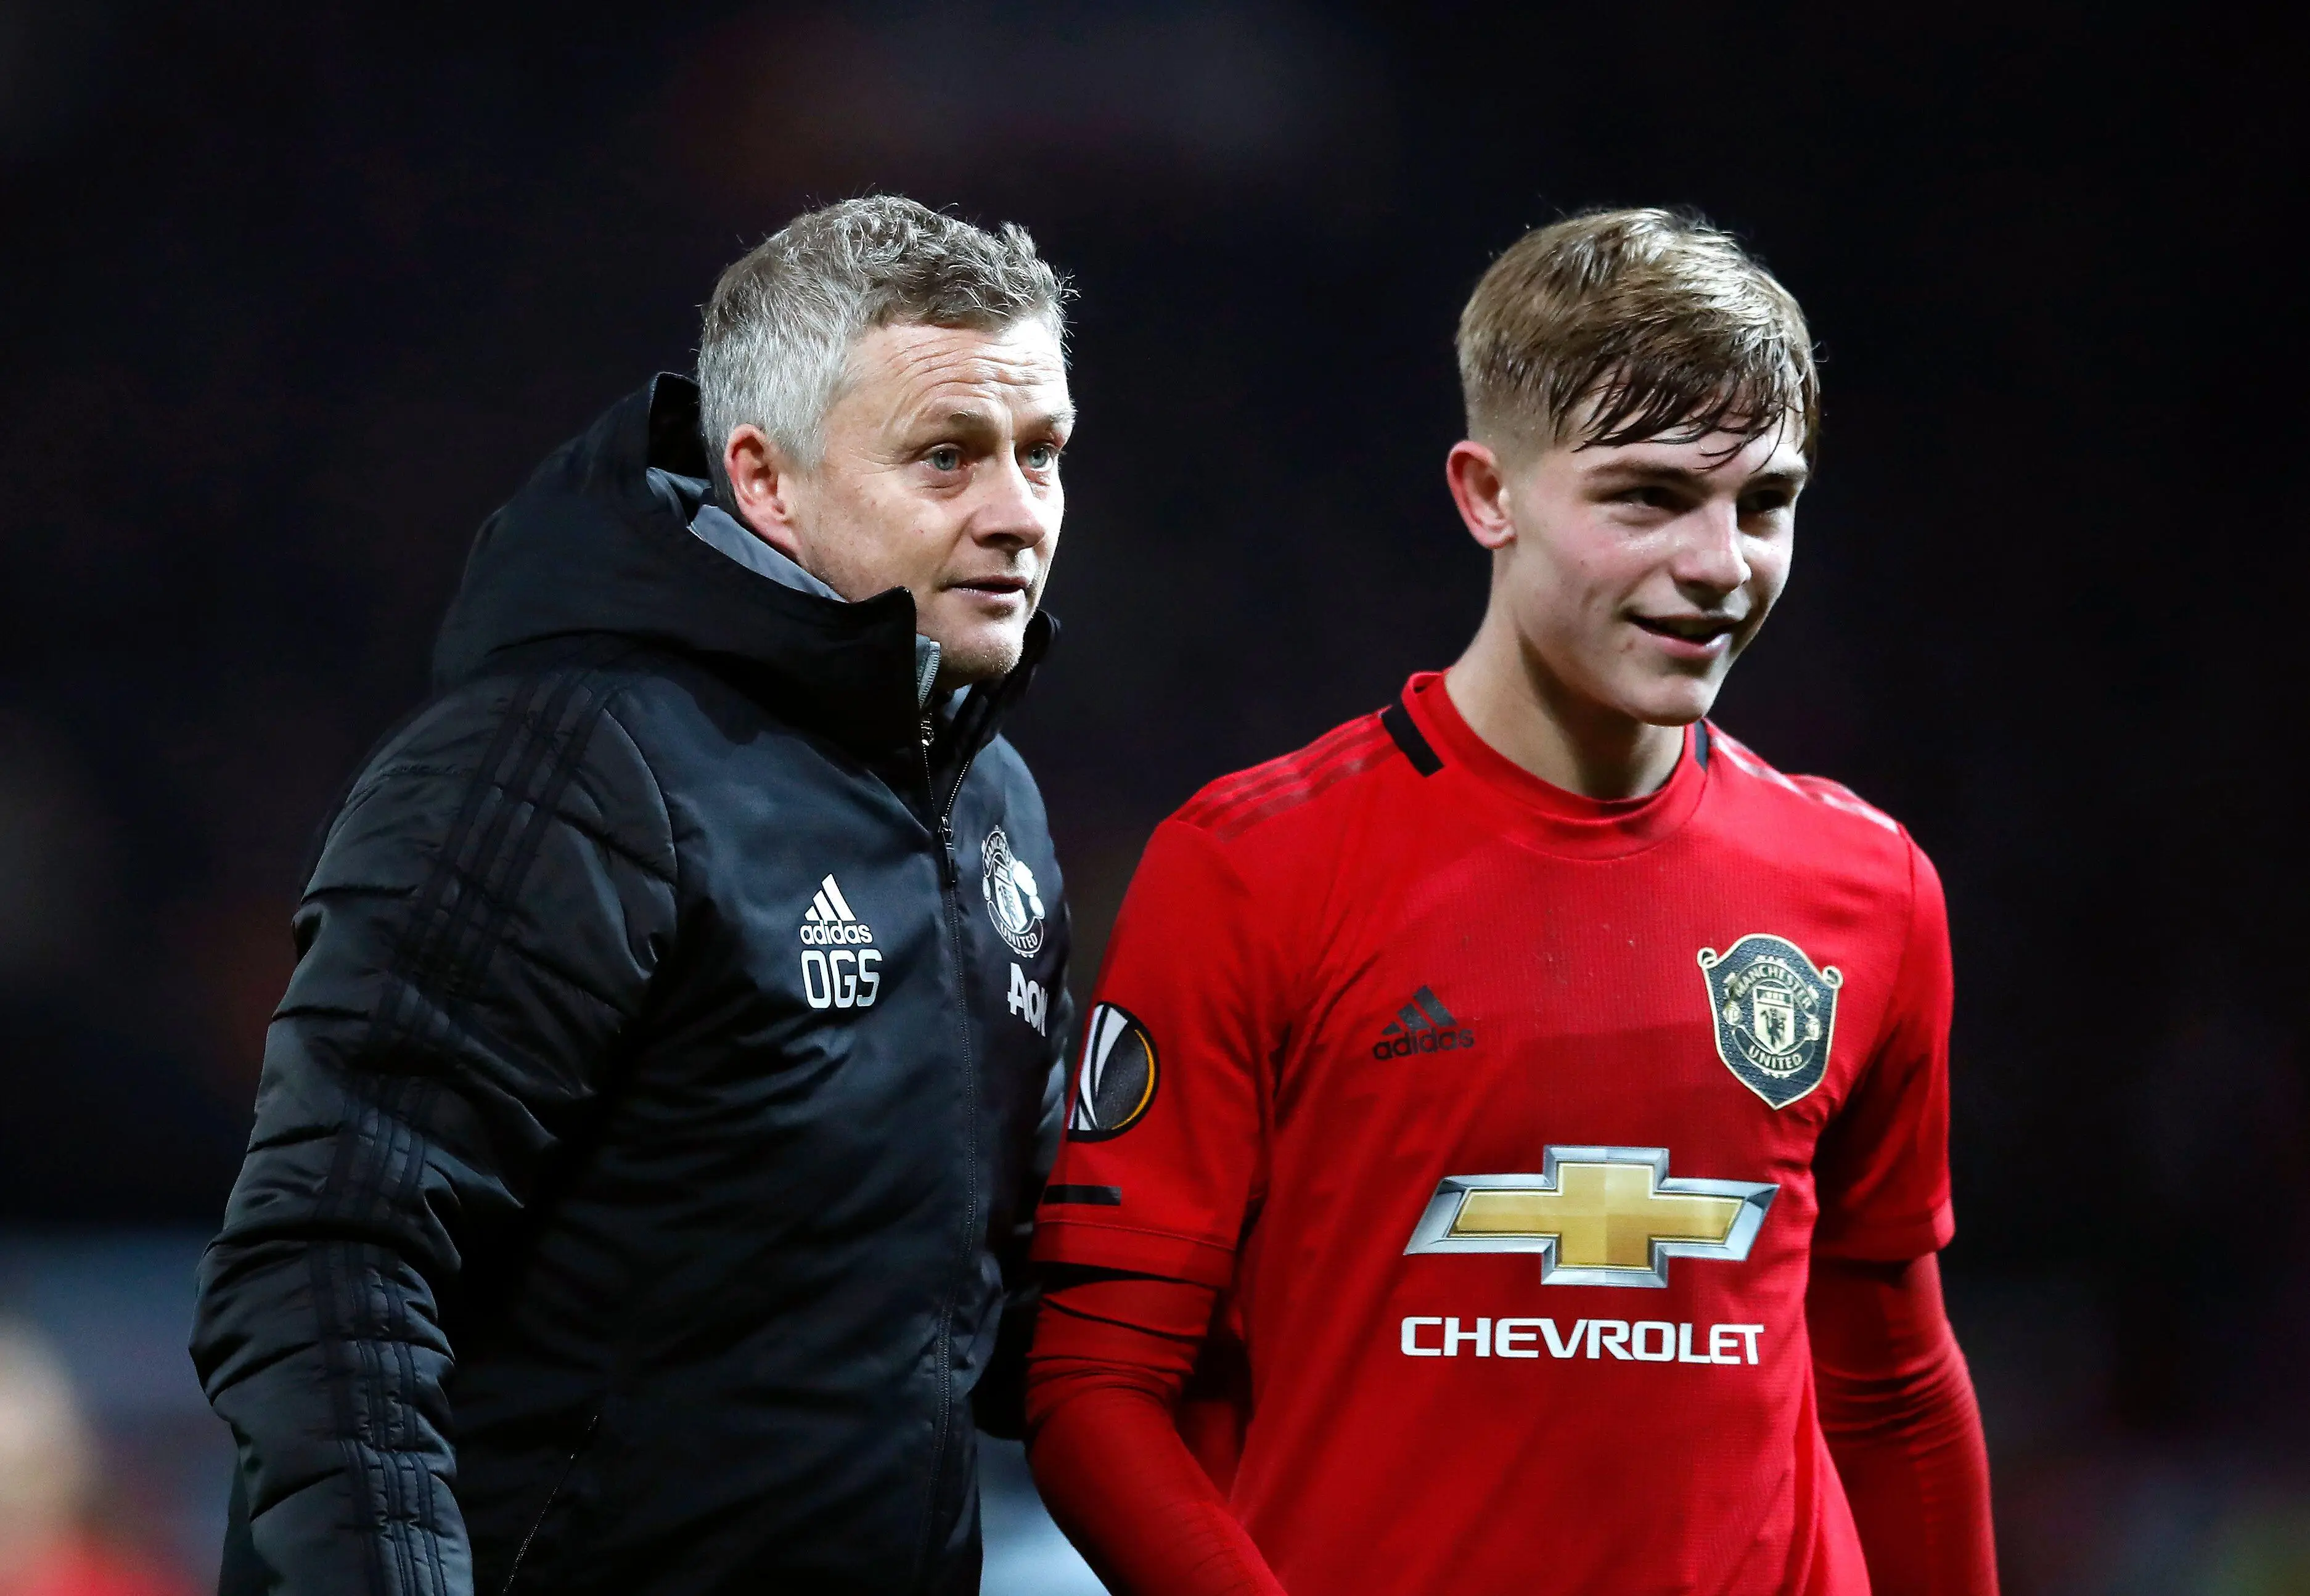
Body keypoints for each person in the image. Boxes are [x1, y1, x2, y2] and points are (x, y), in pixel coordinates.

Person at [1023, 209, 1998, 1595]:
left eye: (1764, 501)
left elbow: (1891, 1379)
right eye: (1649, 497)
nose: (1722, 561)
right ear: (1486, 493)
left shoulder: (1868, 889)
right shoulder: (1250, 868)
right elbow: (1095, 1389)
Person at [189, 196, 1078, 1595]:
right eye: (947, 458)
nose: (1017, 513)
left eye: (1042, 454)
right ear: (766, 480)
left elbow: (990, 1307)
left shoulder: (991, 805)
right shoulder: (559, 764)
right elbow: (331, 1257)